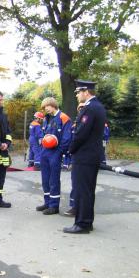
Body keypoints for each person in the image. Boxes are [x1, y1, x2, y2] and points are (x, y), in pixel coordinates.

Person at [63, 80, 106, 234]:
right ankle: (87, 222)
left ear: (86, 92)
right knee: (87, 191)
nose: (76, 95)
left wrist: (70, 149)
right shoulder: (97, 106)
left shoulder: (89, 108)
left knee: (82, 191)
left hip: (84, 156)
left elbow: (80, 134)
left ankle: (82, 224)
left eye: (78, 92)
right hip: (91, 156)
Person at [36, 97, 72, 215]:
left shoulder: (64, 118)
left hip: (55, 152)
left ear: (53, 105)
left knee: (53, 180)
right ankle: (47, 203)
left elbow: (67, 138)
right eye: (44, 107)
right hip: (45, 152)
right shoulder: (46, 119)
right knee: (45, 179)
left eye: (47, 106)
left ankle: (54, 206)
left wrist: (59, 152)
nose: (45, 109)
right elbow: (44, 134)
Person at [64, 102, 85, 217]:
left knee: (82, 184)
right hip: (75, 157)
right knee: (75, 183)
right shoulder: (75, 125)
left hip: (84, 158)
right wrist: (69, 160)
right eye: (79, 108)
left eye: (83, 108)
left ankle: (80, 207)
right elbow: (71, 143)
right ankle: (74, 206)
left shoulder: (86, 123)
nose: (81, 110)